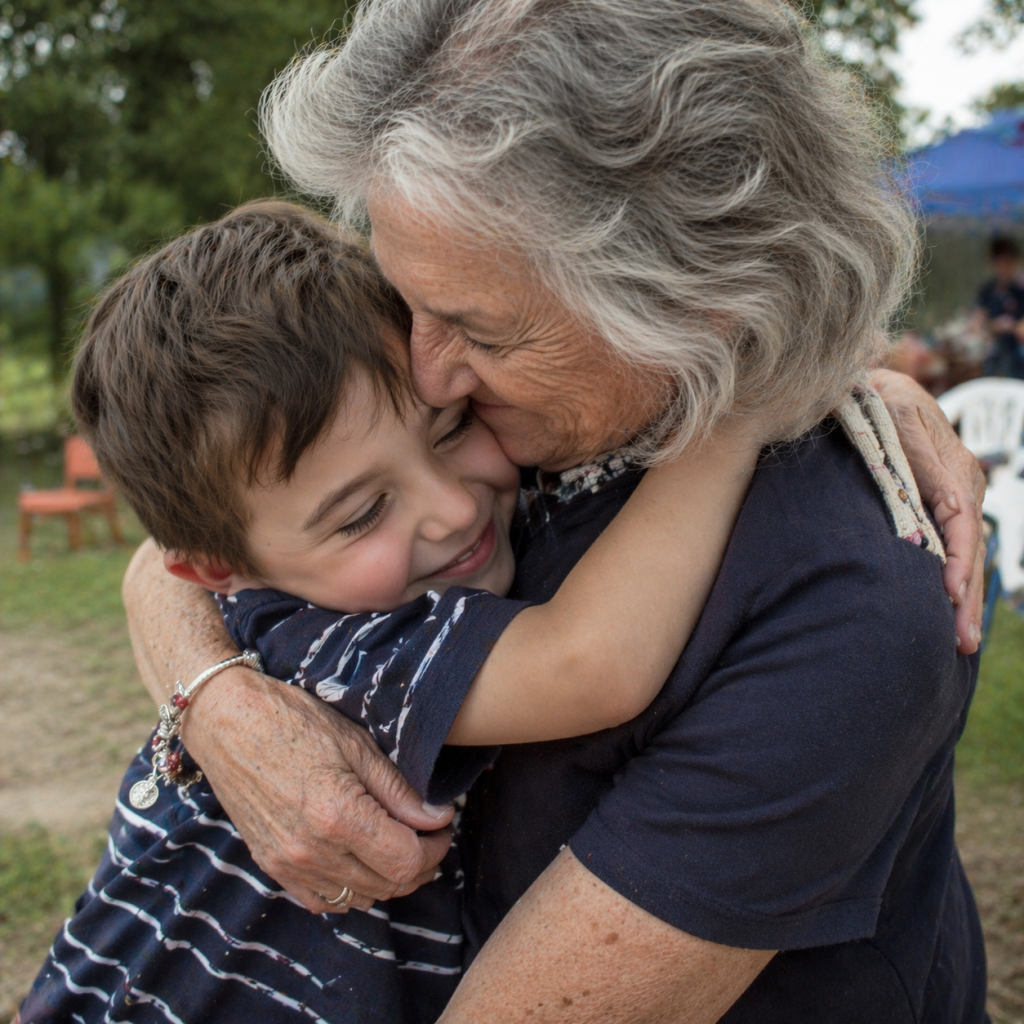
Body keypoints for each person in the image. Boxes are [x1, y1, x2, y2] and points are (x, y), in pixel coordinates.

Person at [122, 1, 991, 1021]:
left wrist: (778, 377)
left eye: (477, 330)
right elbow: (204, 545)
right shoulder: (524, 434)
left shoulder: (842, 605)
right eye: (410, 304)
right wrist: (217, 700)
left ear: (687, 301)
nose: (426, 376)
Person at [18, 200, 764, 1023]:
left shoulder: (318, 570)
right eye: (364, 513)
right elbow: (589, 665)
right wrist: (736, 412)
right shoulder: (329, 646)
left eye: (449, 430)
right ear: (217, 571)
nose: (452, 508)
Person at [973, 236, 1024, 379]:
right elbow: (978, 321)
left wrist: (1011, 326)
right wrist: (990, 326)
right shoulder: (987, 290)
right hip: (993, 355)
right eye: (999, 261)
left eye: (1007, 261)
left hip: (1018, 355)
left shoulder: (1020, 288)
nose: (1003, 267)